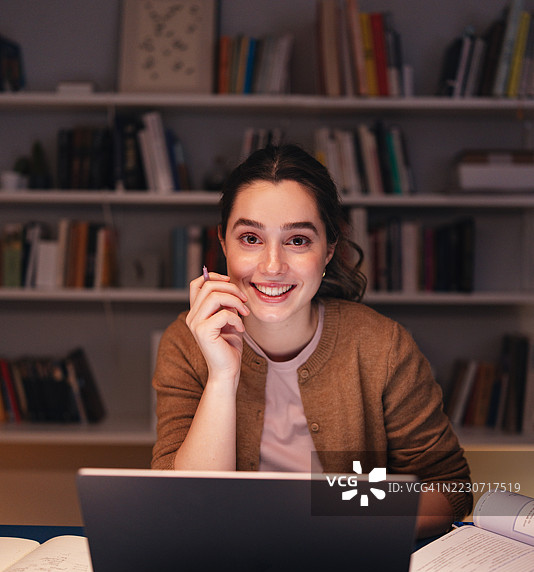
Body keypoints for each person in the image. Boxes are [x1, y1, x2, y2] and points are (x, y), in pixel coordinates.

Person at [152, 144, 472, 537]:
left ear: (328, 250)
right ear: (223, 243)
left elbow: (449, 489)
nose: (272, 266)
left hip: (347, 563)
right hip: (225, 565)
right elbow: (182, 510)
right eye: (250, 238)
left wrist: (327, 513)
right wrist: (221, 376)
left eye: (298, 240)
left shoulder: (382, 345)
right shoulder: (185, 343)